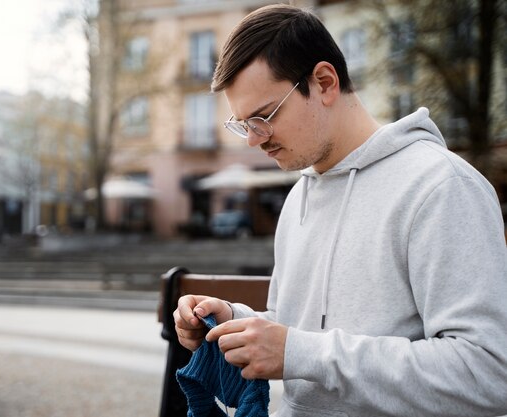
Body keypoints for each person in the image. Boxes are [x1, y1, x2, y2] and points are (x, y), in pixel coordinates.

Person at [173, 4, 507, 417]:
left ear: (324, 82)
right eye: (243, 125)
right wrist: (235, 322)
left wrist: (300, 352)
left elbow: (488, 373)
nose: (254, 141)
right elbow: (297, 326)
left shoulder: (441, 186)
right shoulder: (299, 195)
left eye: (263, 118)